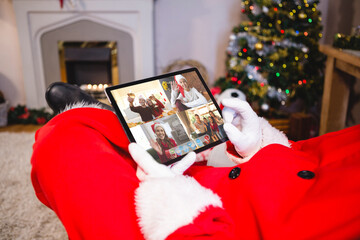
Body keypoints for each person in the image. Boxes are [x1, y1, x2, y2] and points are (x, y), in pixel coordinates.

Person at [30, 83, 360, 240]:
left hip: (203, 220)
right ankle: (105, 124)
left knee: (61, 144)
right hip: (234, 180)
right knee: (146, 145)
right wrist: (262, 145)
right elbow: (314, 162)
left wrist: (169, 199)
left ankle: (97, 121)